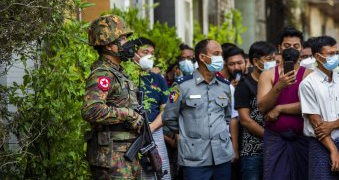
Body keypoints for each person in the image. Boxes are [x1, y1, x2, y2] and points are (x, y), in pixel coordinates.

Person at [82, 14, 144, 179]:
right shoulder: (103, 74)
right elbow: (91, 110)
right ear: (109, 45)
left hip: (125, 154)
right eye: (122, 38)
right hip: (112, 158)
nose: (127, 43)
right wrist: (127, 114)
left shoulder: (118, 72)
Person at [163, 39, 233, 180]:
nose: (221, 59)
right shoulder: (182, 86)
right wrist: (187, 132)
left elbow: (226, 116)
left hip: (222, 156)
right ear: (202, 57)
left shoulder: (224, 85)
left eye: (221, 54)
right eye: (216, 53)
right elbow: (169, 118)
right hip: (194, 158)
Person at [299, 36, 339, 179]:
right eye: (330, 54)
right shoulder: (308, 84)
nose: (335, 57)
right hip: (320, 146)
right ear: (317, 57)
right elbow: (315, 122)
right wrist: (333, 151)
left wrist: (331, 125)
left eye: (337, 53)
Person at [257, 27, 311, 179]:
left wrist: (279, 108)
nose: (291, 49)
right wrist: (279, 86)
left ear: (301, 49)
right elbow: (262, 107)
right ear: (280, 48)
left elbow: (309, 106)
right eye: (287, 46)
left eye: (296, 46)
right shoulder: (268, 75)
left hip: (302, 138)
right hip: (275, 138)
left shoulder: (309, 75)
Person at [235, 41, 277, 180]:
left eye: (274, 60)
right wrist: (269, 136)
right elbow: (245, 120)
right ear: (255, 61)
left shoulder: (276, 83)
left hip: (276, 148)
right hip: (253, 151)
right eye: (269, 60)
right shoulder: (243, 86)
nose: (273, 63)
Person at [131, 37, 171, 180]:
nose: (149, 56)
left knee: (160, 171)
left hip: (155, 132)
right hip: (132, 134)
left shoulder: (158, 79)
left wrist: (152, 127)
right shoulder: (126, 77)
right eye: (145, 52)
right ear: (134, 53)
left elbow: (165, 109)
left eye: (152, 53)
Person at [221, 45, 247, 179]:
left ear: (246, 62)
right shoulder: (226, 86)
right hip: (232, 139)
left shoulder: (255, 80)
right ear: (226, 65)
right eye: (231, 64)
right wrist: (234, 148)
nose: (236, 67)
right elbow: (233, 118)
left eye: (239, 63)